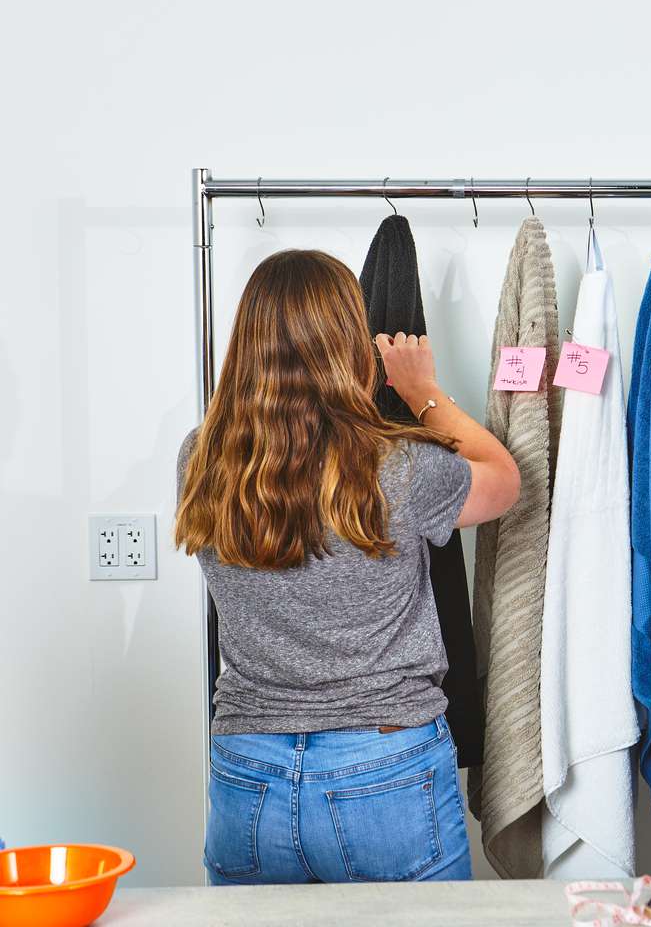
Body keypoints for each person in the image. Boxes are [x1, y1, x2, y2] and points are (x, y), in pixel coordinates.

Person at [175, 249, 519, 885]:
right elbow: (503, 481)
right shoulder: (396, 465)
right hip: (382, 767)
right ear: (345, 339)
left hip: (247, 769)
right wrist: (422, 392)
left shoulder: (202, 458)